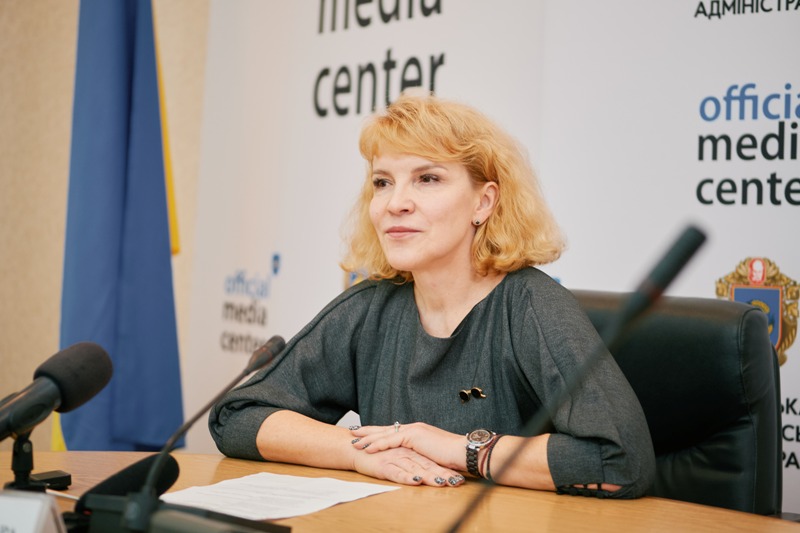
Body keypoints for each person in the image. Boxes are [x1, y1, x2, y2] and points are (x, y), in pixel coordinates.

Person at [209, 92, 656, 498]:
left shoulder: (531, 306)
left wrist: (458, 449)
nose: (395, 203)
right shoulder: (369, 308)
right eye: (382, 182)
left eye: (427, 179)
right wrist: (359, 451)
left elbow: (619, 460)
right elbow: (237, 417)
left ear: (484, 202)